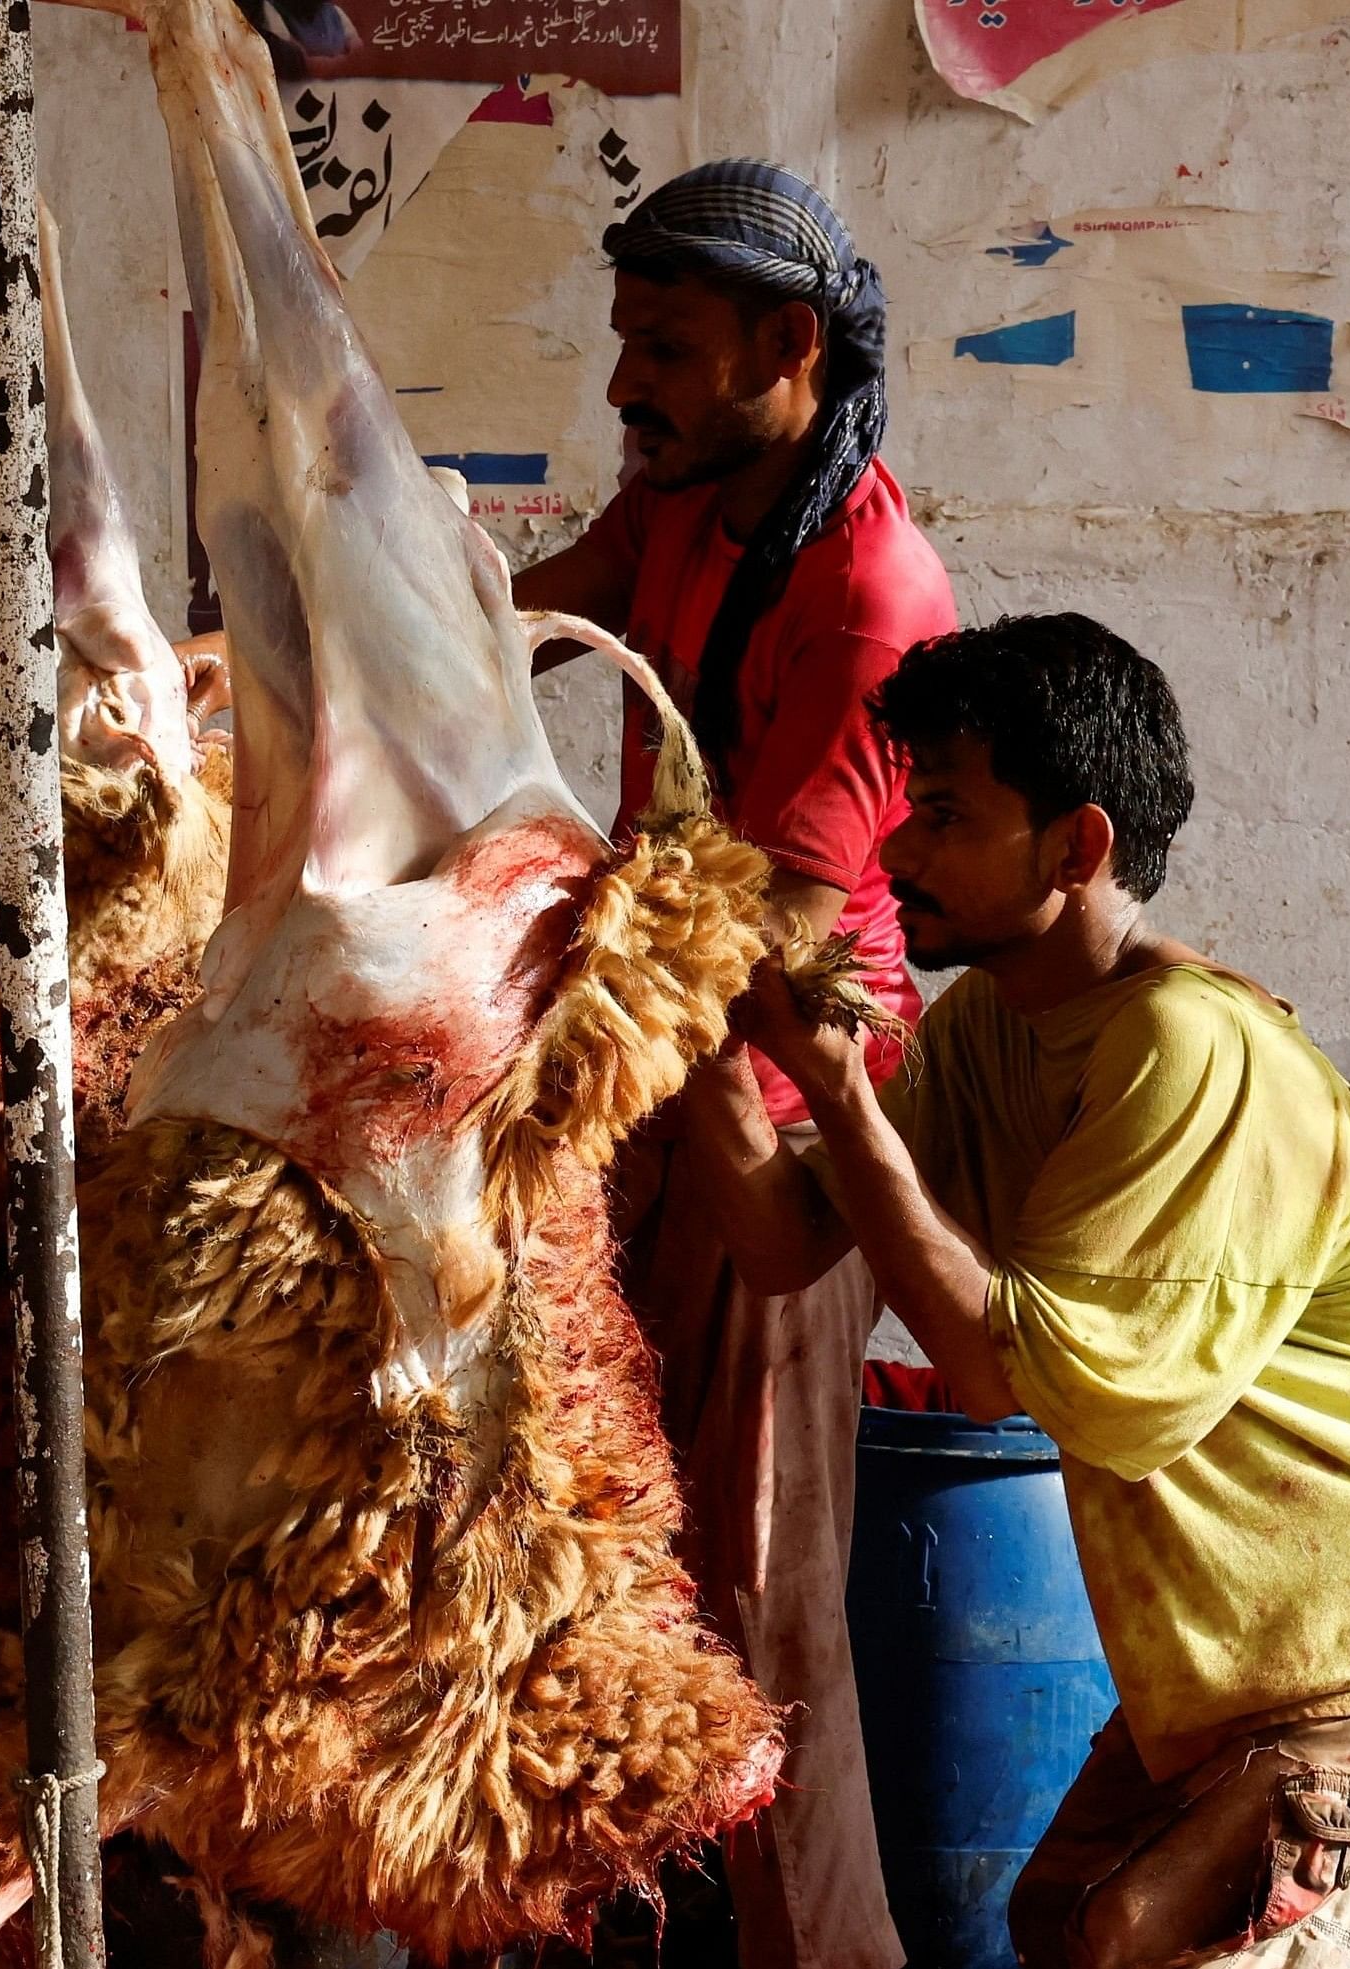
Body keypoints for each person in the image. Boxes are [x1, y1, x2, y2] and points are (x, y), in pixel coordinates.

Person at [685, 614, 1350, 1969]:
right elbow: (782, 1240)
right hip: (1261, 1632)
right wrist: (696, 1031)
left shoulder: (1191, 1052)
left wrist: (835, 1088)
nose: (895, 853)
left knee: (1141, 1944)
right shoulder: (996, 1025)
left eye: (944, 815)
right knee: (1066, 1921)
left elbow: (1010, 1379)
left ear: (1080, 848)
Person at [509, 156, 953, 1969]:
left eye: (667, 349)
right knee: (609, 1542)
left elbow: (746, 915)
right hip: (658, 1065)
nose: (628, 384)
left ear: (790, 344)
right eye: (624, 341)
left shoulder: (866, 593)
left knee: (767, 1612)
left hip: (781, 1108)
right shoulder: (688, 489)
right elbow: (546, 607)